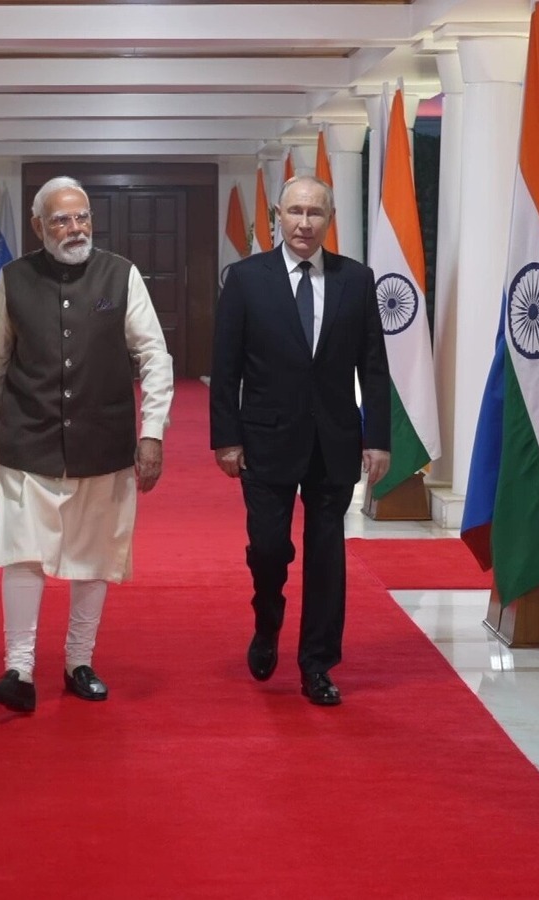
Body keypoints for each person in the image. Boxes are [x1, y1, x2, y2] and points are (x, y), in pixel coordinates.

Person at [0, 176, 175, 714]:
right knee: (22, 553)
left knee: (93, 554)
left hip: (103, 440)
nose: (74, 228)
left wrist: (152, 431)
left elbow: (154, 356)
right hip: (28, 438)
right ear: (38, 226)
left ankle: (79, 662)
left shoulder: (121, 274)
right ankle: (18, 669)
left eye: (82, 217)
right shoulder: (13, 279)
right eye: (61, 220)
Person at [209, 175, 391, 707]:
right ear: (277, 217)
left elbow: (373, 367)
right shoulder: (246, 280)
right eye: (295, 212)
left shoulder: (356, 279)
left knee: (327, 557)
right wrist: (226, 438)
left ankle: (317, 663)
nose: (304, 223)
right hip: (265, 440)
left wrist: (377, 438)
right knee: (269, 549)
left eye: (315, 213)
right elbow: (225, 368)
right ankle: (268, 620)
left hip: (334, 442)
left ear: (329, 220)